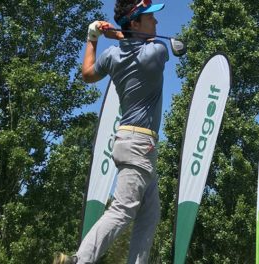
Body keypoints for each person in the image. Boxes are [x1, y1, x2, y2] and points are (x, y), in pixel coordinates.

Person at [53, 0, 169, 263]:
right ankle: (79, 260)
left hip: (133, 144)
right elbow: (142, 45)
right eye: (150, 18)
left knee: (149, 215)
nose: (157, 22)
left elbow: (88, 74)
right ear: (135, 23)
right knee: (123, 210)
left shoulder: (112, 56)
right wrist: (117, 34)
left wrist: (93, 38)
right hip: (140, 144)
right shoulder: (156, 53)